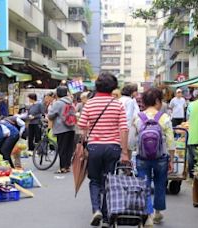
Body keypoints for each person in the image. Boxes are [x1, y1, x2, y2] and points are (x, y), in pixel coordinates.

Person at [78, 73, 129, 227]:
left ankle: (96, 210)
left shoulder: (89, 104)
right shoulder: (117, 104)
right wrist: (125, 152)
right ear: (113, 88)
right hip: (113, 147)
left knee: (94, 180)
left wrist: (85, 141)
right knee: (108, 181)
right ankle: (106, 219)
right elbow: (124, 129)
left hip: (94, 147)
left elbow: (82, 126)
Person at [130, 88, 175, 226]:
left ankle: (148, 215)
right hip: (161, 157)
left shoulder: (138, 117)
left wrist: (132, 153)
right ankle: (158, 213)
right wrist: (172, 158)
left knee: (144, 185)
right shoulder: (164, 117)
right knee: (160, 184)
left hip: (142, 157)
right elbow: (171, 141)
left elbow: (131, 141)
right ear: (157, 101)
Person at [48, 86, 76, 174]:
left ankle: (62, 167)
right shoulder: (71, 102)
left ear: (57, 93)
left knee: (62, 149)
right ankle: (67, 166)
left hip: (61, 128)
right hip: (71, 127)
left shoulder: (58, 103)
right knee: (69, 148)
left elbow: (50, 115)